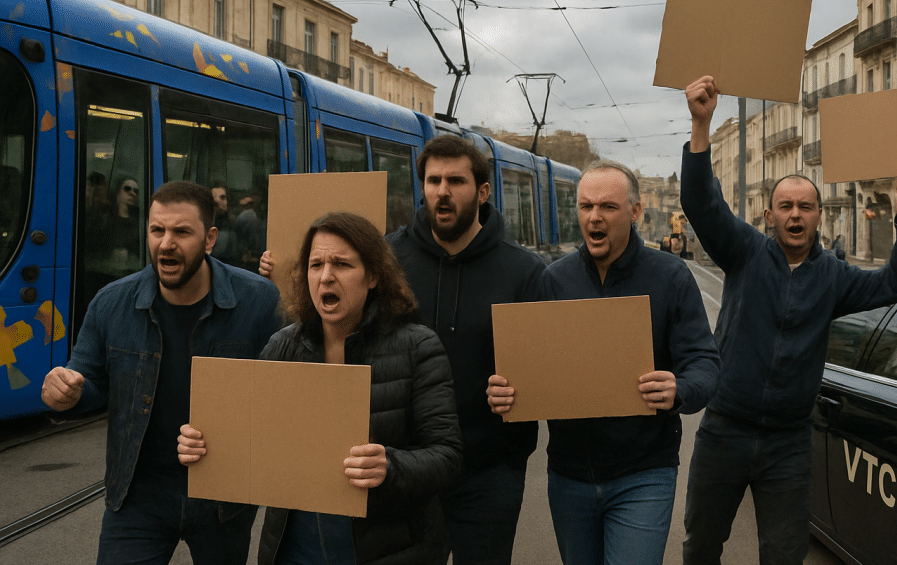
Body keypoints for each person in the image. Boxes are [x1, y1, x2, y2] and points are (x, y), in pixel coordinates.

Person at [680, 75, 897, 565]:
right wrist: (701, 123)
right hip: (724, 430)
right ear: (768, 216)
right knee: (702, 545)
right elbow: (701, 205)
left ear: (818, 216)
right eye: (786, 206)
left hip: (789, 443)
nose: (796, 215)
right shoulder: (744, 252)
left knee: (785, 554)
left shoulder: (835, 277)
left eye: (806, 207)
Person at [181, 212, 463, 564]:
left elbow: (447, 455)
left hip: (388, 550)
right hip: (298, 550)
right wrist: (203, 444)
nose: (326, 276)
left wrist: (389, 466)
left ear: (373, 275)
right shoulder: (284, 346)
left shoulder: (418, 347)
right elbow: (245, 441)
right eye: (316, 265)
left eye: (342, 264)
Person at [487, 160, 720, 565]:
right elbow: (532, 370)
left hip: (644, 474)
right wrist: (508, 391)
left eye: (608, 207)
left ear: (635, 212)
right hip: (569, 476)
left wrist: (679, 388)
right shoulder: (553, 280)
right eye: (586, 206)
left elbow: (704, 363)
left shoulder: (671, 276)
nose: (594, 217)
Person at [40, 181, 282, 565]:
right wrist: (67, 392)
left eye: (181, 232)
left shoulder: (259, 301)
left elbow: (285, 398)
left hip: (223, 496)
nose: (166, 243)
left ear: (210, 238)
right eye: (157, 230)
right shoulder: (111, 302)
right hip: (138, 494)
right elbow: (88, 380)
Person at [387, 135, 547, 565]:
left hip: (490, 473)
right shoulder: (387, 261)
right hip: (408, 467)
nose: (442, 191)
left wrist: (524, 392)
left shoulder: (524, 271)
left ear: (482, 191)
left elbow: (547, 373)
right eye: (433, 180)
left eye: (455, 181)